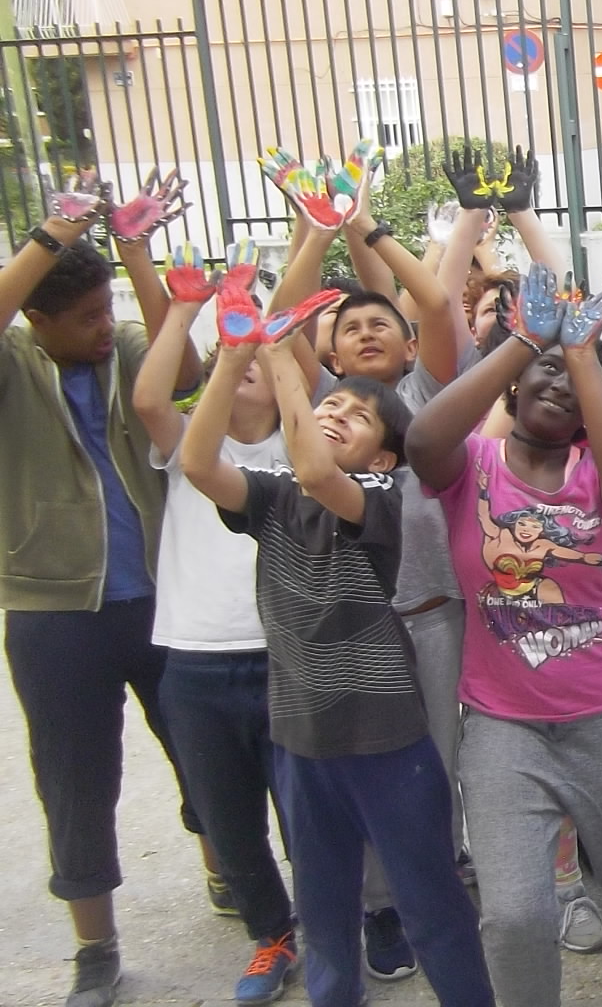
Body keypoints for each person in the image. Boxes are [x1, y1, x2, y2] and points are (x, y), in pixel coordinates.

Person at [182, 292, 492, 1007]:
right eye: (330, 409)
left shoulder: (382, 493)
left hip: (386, 741)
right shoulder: (272, 496)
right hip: (300, 739)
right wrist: (233, 360)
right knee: (323, 916)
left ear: (382, 453)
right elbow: (200, 464)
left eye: (354, 417)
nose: (332, 416)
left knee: (432, 906)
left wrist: (279, 351)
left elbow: (321, 472)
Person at [405, 267, 602, 1004]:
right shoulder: (470, 467)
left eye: (576, 379)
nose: (558, 384)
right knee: (515, 915)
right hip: (503, 729)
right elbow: (423, 436)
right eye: (543, 372)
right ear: (512, 385)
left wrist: (583, 351)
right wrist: (526, 338)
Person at [0, 179, 204, 1007]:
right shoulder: (15, 366)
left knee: (204, 754)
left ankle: (229, 872)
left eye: (103, 307)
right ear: (36, 322)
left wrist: (135, 255)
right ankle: (96, 945)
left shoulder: (121, 346)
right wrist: (55, 230)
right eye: (80, 316)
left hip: (163, 599)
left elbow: (185, 367)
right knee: (75, 779)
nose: (99, 325)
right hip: (55, 614)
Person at [132, 243, 302, 1006]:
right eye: (234, 361)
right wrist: (187, 310)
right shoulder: (192, 446)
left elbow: (302, 377)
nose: (246, 366)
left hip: (284, 657)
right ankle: (271, 934)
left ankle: (333, 919)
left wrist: (266, 332)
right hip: (195, 663)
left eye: (258, 360)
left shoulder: (304, 448)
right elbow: (148, 402)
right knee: (229, 825)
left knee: (305, 811)